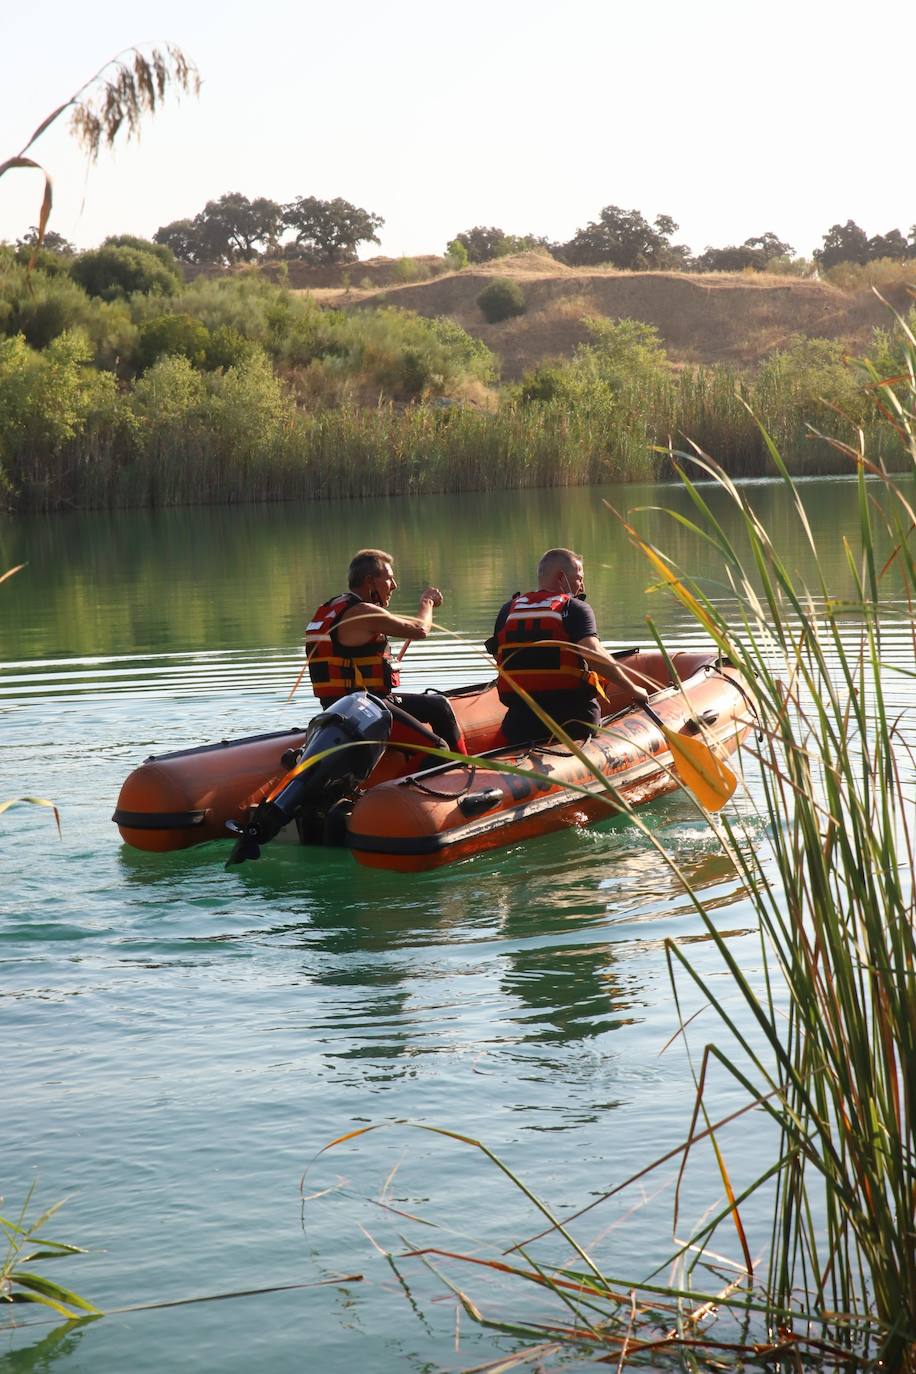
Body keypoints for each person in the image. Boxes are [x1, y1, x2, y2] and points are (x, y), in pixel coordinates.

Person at [306, 548, 466, 755]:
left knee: (439, 706)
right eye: (389, 579)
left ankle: (463, 765)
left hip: (349, 706)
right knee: (438, 748)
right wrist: (427, 602)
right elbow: (420, 629)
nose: (395, 585)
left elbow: (404, 624)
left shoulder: (332, 608)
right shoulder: (363, 611)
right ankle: (444, 777)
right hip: (362, 711)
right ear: (370, 581)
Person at [487, 547, 648, 746]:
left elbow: (499, 657)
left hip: (521, 722)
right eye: (579, 578)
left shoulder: (507, 611)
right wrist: (633, 689)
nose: (582, 586)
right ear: (562, 577)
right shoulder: (574, 608)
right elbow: (593, 654)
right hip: (573, 720)